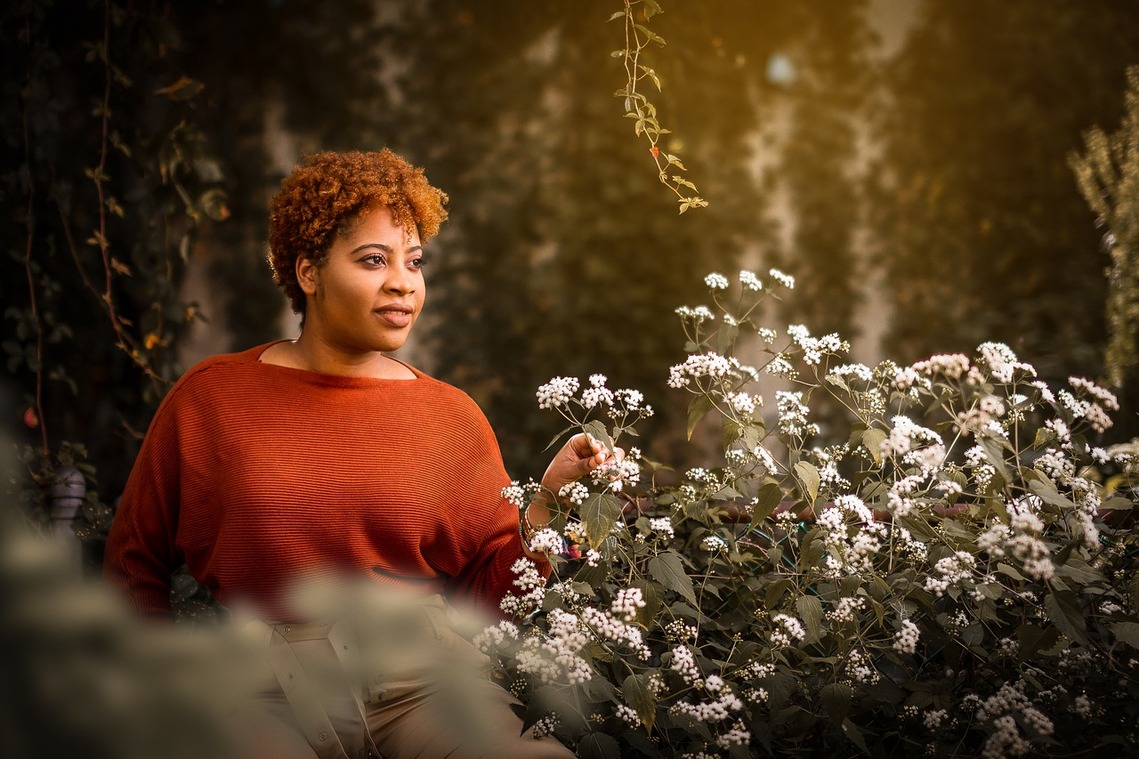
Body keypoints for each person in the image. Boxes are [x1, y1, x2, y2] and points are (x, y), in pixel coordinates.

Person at [103, 149, 610, 758]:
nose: (403, 281)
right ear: (309, 272)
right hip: (261, 694)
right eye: (374, 260)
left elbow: (490, 601)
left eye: (414, 262)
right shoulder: (211, 398)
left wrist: (550, 496)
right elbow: (133, 561)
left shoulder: (448, 415)